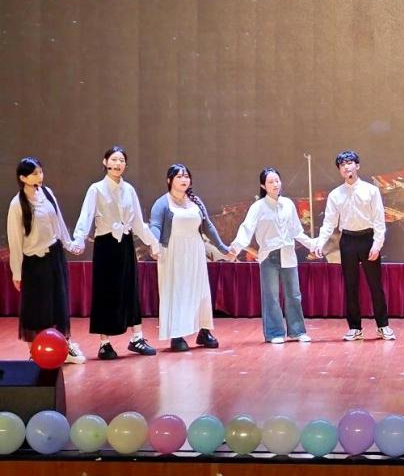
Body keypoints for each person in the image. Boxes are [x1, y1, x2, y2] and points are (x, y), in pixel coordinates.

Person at [70, 146, 161, 360]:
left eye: (121, 160)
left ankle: (137, 338)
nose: (118, 163)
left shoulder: (129, 189)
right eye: (113, 159)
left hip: (125, 244)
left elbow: (138, 221)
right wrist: (79, 239)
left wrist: (153, 243)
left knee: (131, 288)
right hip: (105, 244)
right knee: (105, 291)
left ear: (125, 165)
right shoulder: (96, 189)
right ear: (105, 162)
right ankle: (105, 343)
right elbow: (86, 216)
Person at [6, 157, 86, 364]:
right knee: (36, 307)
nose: (39, 176)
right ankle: (35, 352)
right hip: (34, 261)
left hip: (54, 256)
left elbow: (58, 222)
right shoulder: (17, 204)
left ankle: (65, 347)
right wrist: (17, 272)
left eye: (41, 172)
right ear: (23, 178)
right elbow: (15, 241)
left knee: (59, 302)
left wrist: (69, 244)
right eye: (34, 173)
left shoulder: (47, 193)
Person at [150, 164, 234, 352]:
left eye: (186, 176)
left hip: (195, 250)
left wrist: (222, 247)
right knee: (176, 291)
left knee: (200, 290)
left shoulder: (195, 201)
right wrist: (154, 244)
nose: (184, 180)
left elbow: (208, 226)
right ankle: (177, 335)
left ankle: (204, 331)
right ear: (169, 180)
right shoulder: (162, 203)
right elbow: (155, 226)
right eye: (179, 176)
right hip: (172, 251)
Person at [314, 151, 394, 341]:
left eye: (349, 163)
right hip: (348, 240)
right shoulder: (335, 194)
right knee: (350, 286)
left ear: (357, 166)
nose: (346, 167)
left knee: (375, 285)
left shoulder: (370, 190)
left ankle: (383, 326)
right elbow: (329, 223)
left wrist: (377, 244)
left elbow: (379, 220)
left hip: (367, 239)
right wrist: (320, 243)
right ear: (339, 170)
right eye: (342, 165)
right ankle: (355, 328)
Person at [229, 168, 315, 344]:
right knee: (271, 296)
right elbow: (247, 229)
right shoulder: (258, 207)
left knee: (294, 294)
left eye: (277, 180)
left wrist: (313, 245)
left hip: (288, 254)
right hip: (269, 255)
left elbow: (297, 231)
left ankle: (297, 331)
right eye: (270, 182)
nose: (275, 184)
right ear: (263, 186)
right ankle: (274, 333)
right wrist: (235, 248)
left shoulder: (288, 204)